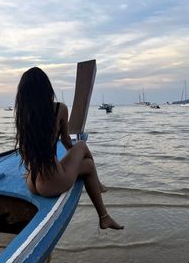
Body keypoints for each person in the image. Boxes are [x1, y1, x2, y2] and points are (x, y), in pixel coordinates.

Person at [15, 67, 124, 230]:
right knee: (83, 152)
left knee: (84, 163)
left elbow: (24, 150)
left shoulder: (23, 115)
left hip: (32, 180)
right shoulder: (59, 109)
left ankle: (103, 211)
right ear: (47, 88)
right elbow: (66, 140)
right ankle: (103, 211)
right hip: (52, 181)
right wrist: (73, 157)